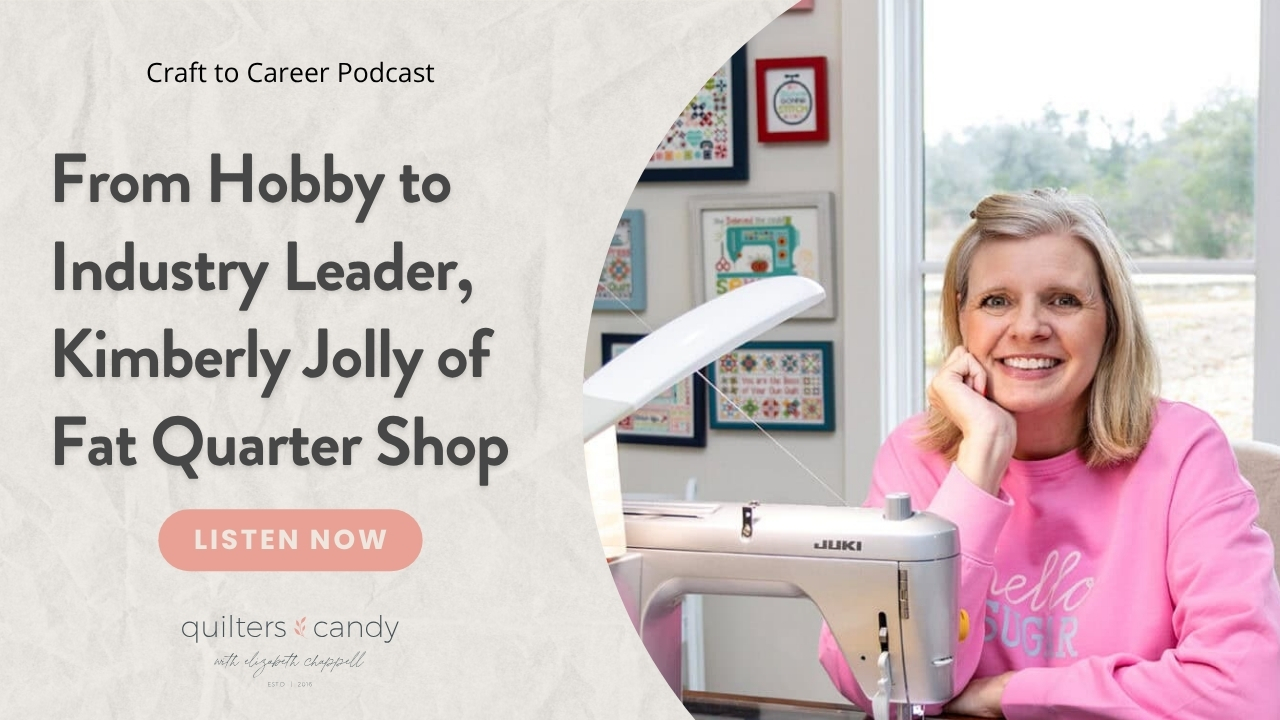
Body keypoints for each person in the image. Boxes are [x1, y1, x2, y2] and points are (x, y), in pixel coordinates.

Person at [818, 189, 1280, 718]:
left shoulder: (1183, 450)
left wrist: (1005, 694)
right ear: (962, 320)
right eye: (996, 301)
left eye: (1063, 299)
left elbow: (1246, 690)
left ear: (1110, 322)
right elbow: (865, 674)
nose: (1028, 327)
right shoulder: (913, 453)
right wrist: (980, 460)